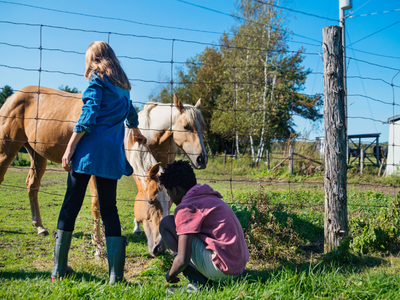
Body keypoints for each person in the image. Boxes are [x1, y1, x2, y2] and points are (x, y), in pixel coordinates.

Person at [51, 41, 147, 284]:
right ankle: (116, 276)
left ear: (93, 58)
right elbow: (131, 113)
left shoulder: (97, 79)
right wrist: (135, 130)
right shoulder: (123, 87)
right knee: (109, 210)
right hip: (111, 156)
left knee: (71, 205)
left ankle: (58, 269)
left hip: (87, 154)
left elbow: (89, 114)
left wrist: (70, 145)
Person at [159, 160, 249, 292]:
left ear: (175, 190)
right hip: (238, 268)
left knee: (166, 224)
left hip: (222, 270)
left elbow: (183, 259)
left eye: (169, 193)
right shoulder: (207, 196)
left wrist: (170, 274)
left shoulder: (186, 207)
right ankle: (205, 276)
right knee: (181, 230)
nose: (171, 198)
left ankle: (199, 284)